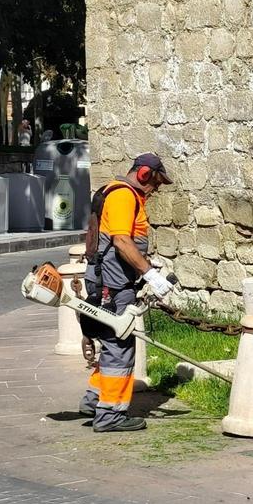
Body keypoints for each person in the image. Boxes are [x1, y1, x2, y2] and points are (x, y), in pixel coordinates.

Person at [79, 153, 174, 432]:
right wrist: (149, 274)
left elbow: (122, 241)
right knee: (121, 347)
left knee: (112, 344)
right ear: (144, 174)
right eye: (155, 183)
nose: (156, 190)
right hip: (113, 285)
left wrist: (143, 264)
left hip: (108, 281)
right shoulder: (124, 196)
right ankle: (110, 416)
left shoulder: (118, 192)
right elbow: (121, 241)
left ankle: (94, 399)